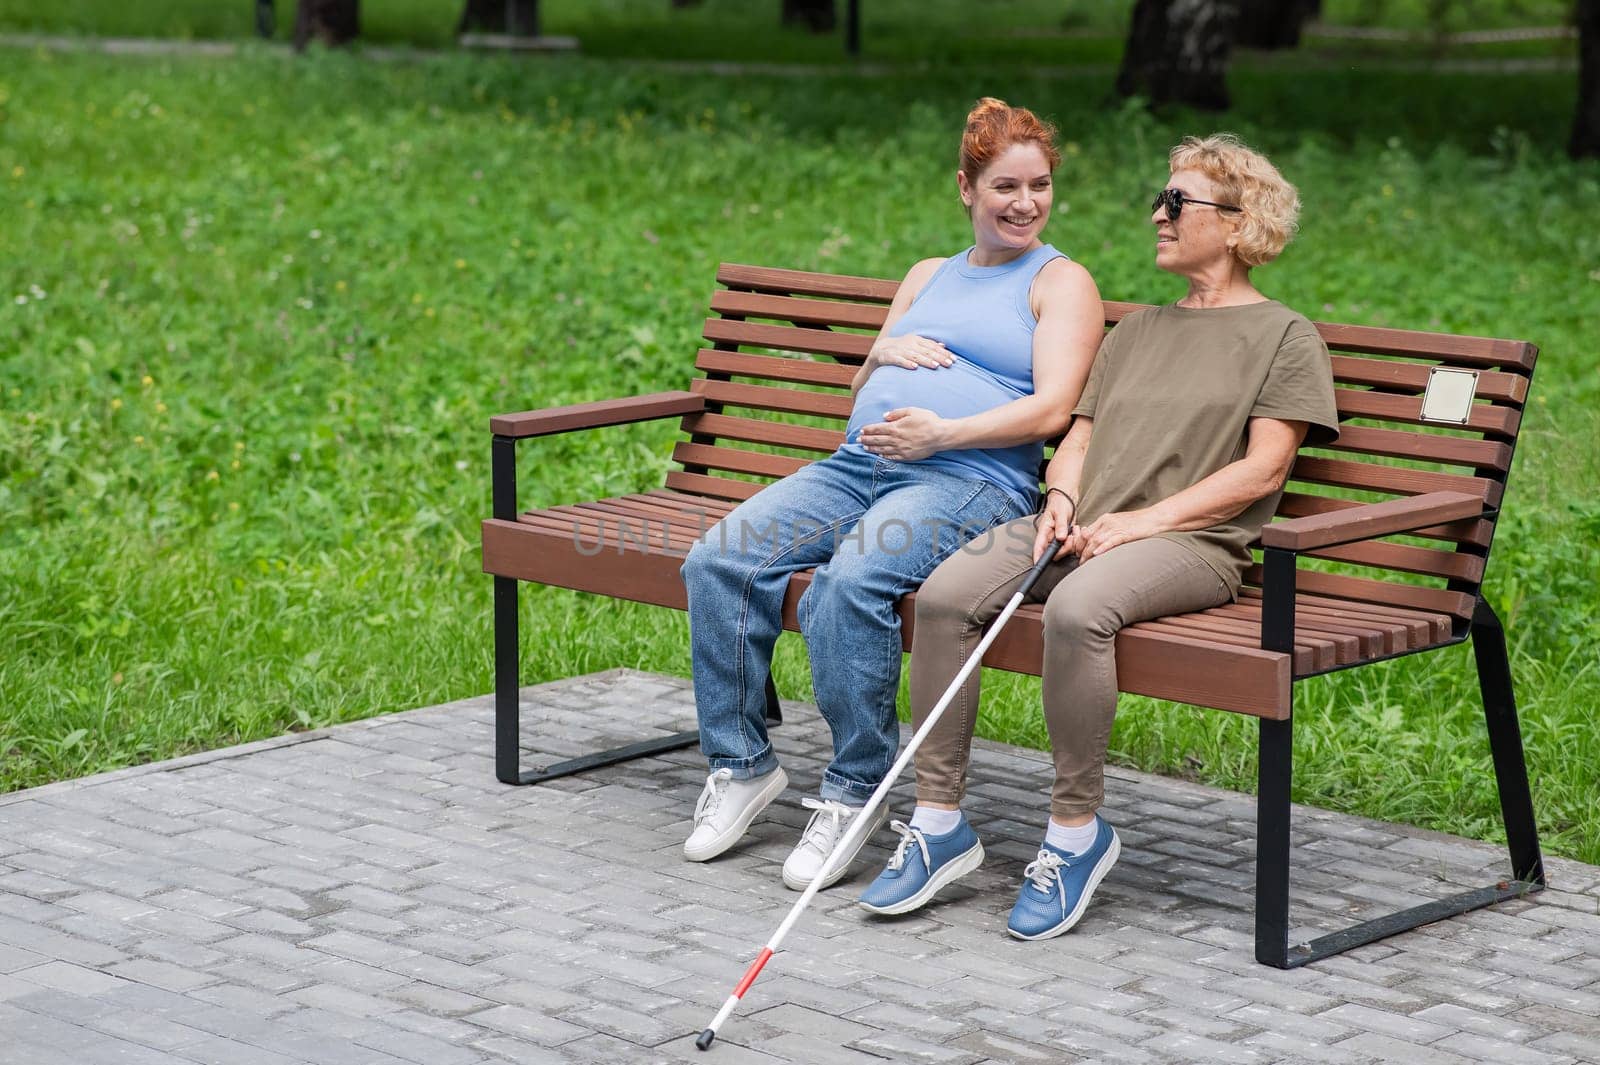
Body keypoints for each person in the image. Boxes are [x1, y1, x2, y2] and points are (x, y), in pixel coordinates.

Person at [858, 133, 1339, 938]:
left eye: (1177, 203)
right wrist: (1060, 497)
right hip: (1082, 524)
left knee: (1080, 612)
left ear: (1237, 221)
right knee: (944, 595)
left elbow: (1262, 472)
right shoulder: (1138, 330)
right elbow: (1077, 434)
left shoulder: (1285, 337)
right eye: (1163, 197)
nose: (1158, 213)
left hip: (1191, 544)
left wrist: (1139, 523)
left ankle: (1076, 833)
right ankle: (939, 823)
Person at [678, 98, 1104, 892]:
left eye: (1039, 186)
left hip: (972, 480)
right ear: (966, 187)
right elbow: (859, 392)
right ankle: (742, 765)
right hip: (859, 465)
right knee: (721, 558)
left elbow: (1052, 409)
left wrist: (941, 433)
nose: (1024, 203)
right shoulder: (925, 275)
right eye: (1005, 186)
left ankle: (854, 789)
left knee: (848, 585)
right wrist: (879, 354)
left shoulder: (1060, 281)